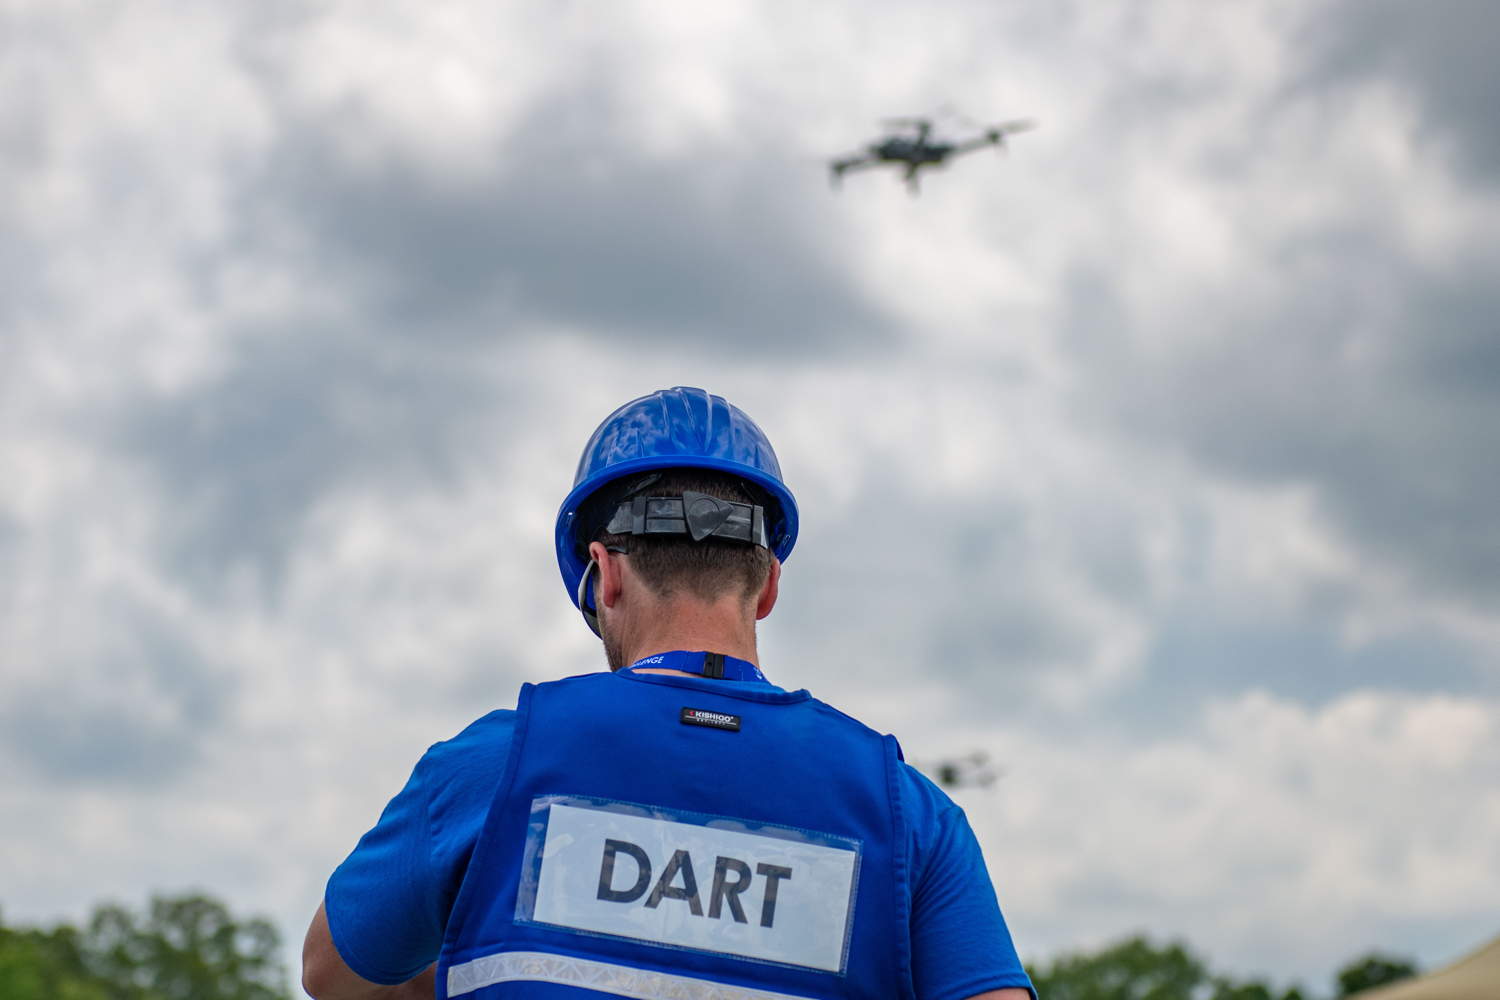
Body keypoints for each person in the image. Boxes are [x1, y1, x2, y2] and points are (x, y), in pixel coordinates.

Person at [302, 387, 1035, 1000]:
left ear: (604, 575)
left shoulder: (491, 765)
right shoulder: (911, 813)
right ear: (769, 583)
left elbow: (331, 973)